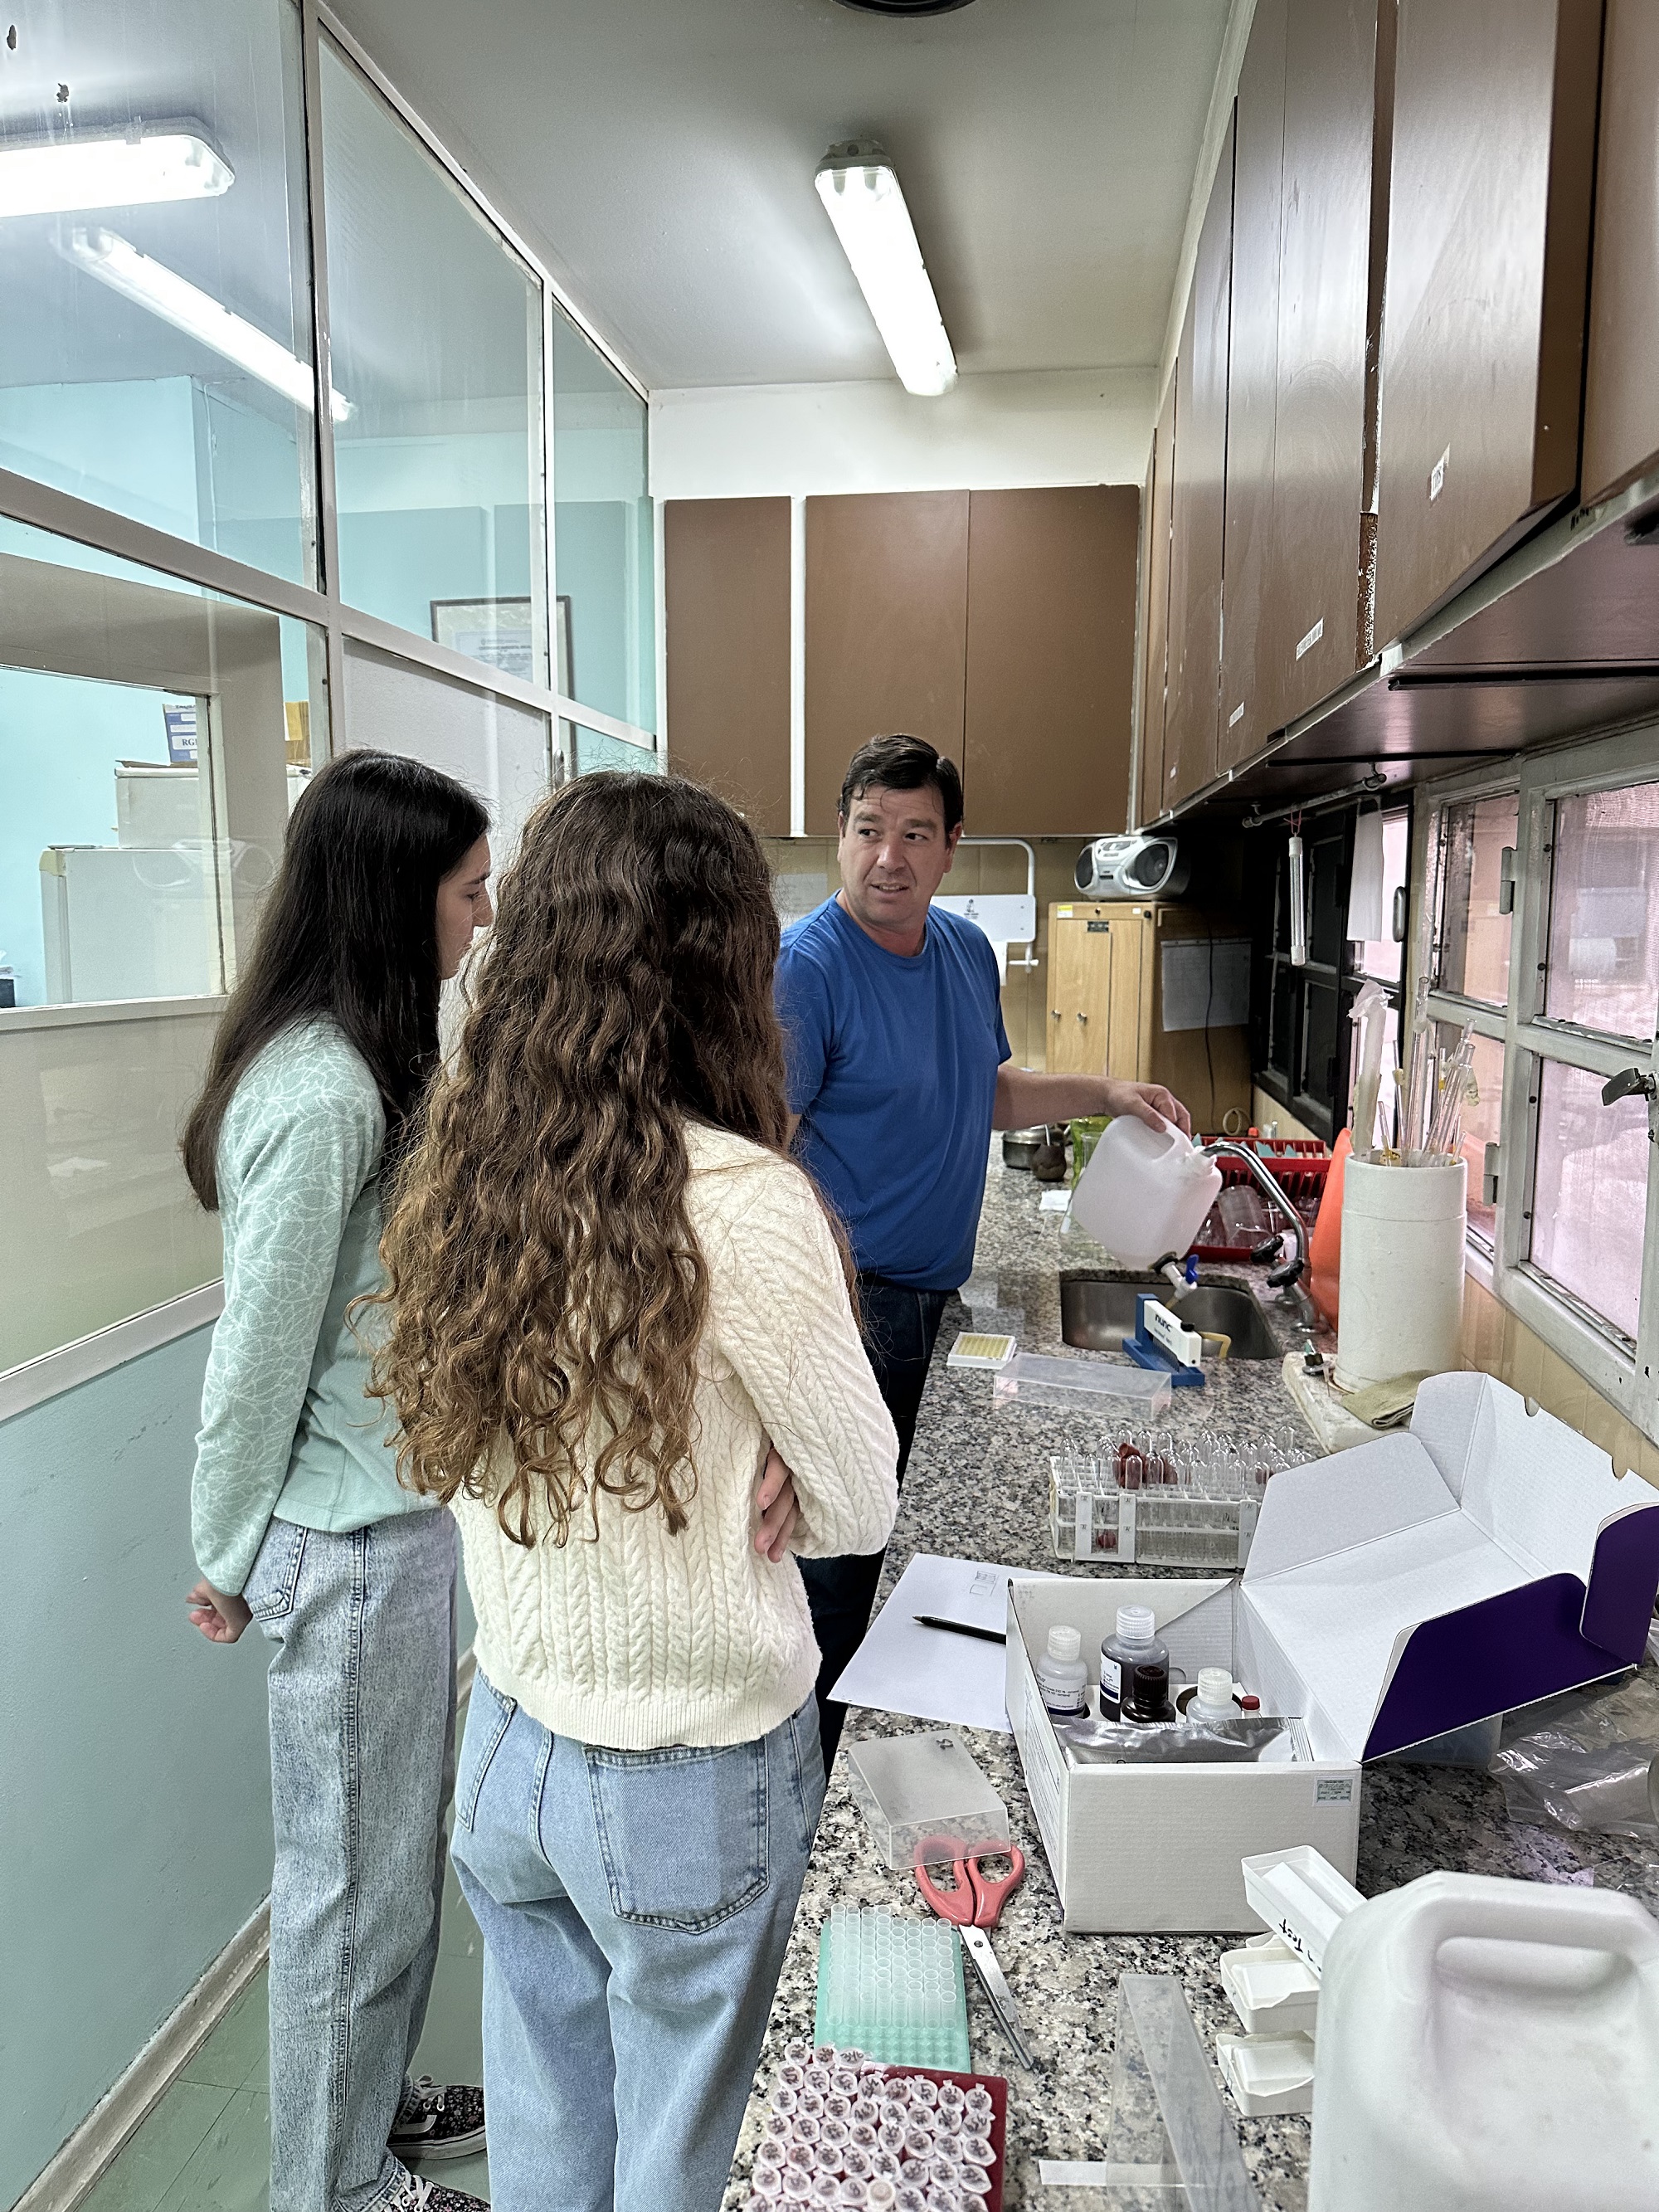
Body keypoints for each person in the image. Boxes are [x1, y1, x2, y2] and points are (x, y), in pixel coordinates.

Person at [369, 771, 898, 2212]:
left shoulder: (476, 1168)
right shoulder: (740, 1202)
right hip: (693, 1775)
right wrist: (783, 1458)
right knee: (684, 2153)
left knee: (550, 2142)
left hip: (512, 1749)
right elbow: (863, 1499)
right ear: (724, 967)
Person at [182, 748, 498, 2212]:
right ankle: (332, 2188)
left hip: (398, 1531)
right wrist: (225, 1547)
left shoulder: (379, 1062)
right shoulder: (319, 1093)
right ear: (394, 901)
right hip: (344, 1549)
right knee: (344, 1907)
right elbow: (258, 1354)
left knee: (389, 1885)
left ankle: (367, 2110)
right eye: (468, 892)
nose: (482, 917)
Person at [777, 733, 1193, 1756]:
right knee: (837, 1565)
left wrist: (1104, 1089)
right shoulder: (807, 968)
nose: (888, 856)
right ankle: (818, 1786)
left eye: (914, 833)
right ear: (840, 835)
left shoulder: (965, 951)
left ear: (951, 845)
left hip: (935, 1302)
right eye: (868, 830)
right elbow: (763, 1151)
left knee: (912, 1549)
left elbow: (987, 1090)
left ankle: (890, 1749)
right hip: (844, 1307)